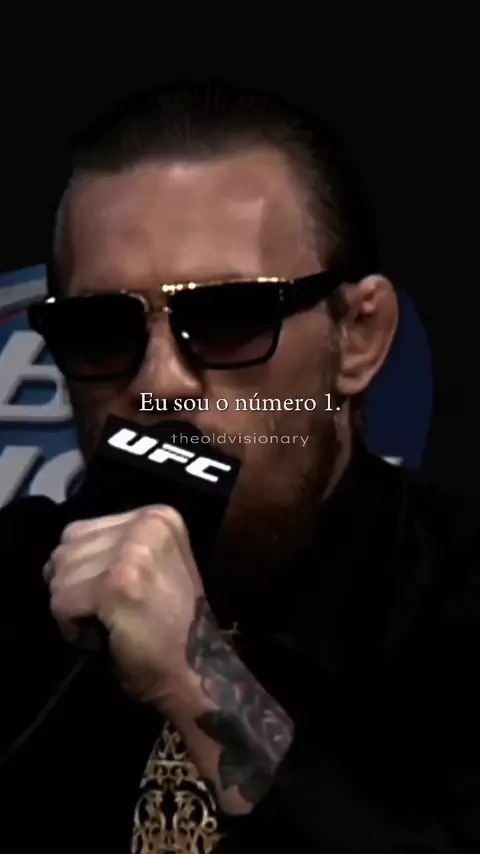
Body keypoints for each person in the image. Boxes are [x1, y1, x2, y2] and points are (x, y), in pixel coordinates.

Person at [1, 80, 478, 854]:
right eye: (101, 328)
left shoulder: (452, 598)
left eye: (228, 319)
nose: (159, 384)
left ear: (358, 337)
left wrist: (198, 676)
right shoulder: (14, 578)